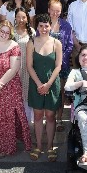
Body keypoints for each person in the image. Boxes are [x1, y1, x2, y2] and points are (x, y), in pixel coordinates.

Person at [0, 20, 33, 157]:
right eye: (2, 31)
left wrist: (0, 83)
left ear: (11, 34)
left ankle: (6, 148)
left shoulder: (14, 46)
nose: (4, 34)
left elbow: (14, 68)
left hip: (10, 86)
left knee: (6, 119)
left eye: (7, 32)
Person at [26, 14, 63, 161]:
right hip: (36, 84)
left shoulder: (56, 43)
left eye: (46, 25)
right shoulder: (31, 42)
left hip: (52, 84)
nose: (43, 28)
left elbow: (58, 66)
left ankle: (50, 146)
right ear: (37, 27)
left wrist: (48, 84)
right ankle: (39, 146)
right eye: (40, 25)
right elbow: (29, 66)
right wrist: (39, 84)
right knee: (38, 116)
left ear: (51, 26)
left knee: (50, 116)